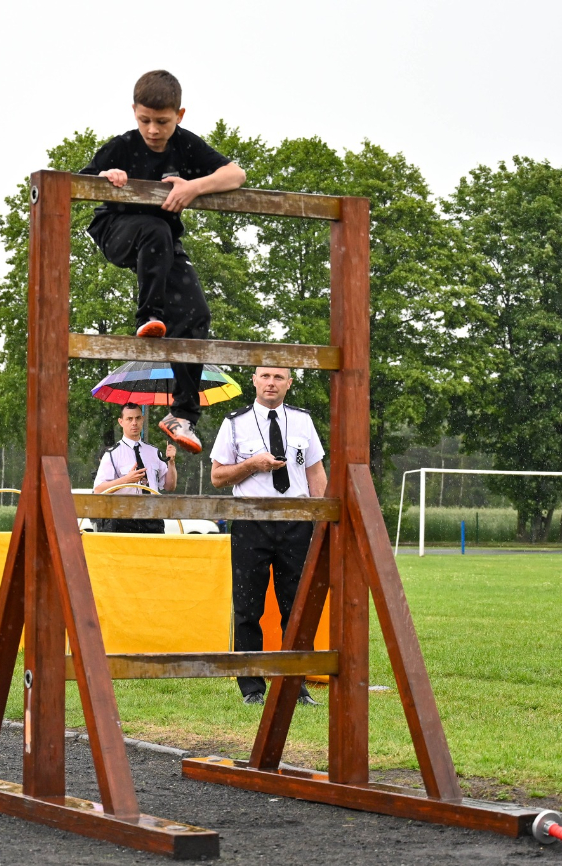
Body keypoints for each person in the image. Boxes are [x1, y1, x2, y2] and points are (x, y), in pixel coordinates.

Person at [79, 69, 246, 456]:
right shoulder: (122, 145)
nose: (153, 130)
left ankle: (182, 414)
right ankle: (147, 318)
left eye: (162, 122)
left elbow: (235, 173)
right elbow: (82, 181)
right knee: (154, 228)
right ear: (134, 113)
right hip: (117, 230)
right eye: (144, 121)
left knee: (197, 313)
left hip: (164, 244)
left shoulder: (186, 147)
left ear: (180, 115)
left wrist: (193, 186)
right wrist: (107, 174)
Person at [209, 368, 328, 706]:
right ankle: (252, 687)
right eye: (265, 376)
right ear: (254, 380)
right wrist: (253, 465)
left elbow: (315, 472)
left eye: (279, 376)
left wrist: (323, 522)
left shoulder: (303, 421)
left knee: (297, 607)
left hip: (296, 522)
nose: (272, 382)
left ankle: (296, 684)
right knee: (249, 607)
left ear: (290, 382)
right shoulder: (234, 422)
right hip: (251, 521)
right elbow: (218, 477)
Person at [92, 402, 177, 533]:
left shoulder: (154, 452)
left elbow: (170, 486)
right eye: (129, 419)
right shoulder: (112, 454)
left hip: (153, 518)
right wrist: (125, 480)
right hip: (124, 519)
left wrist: (171, 462)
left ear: (142, 419)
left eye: (137, 418)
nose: (134, 423)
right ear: (121, 422)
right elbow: (98, 490)